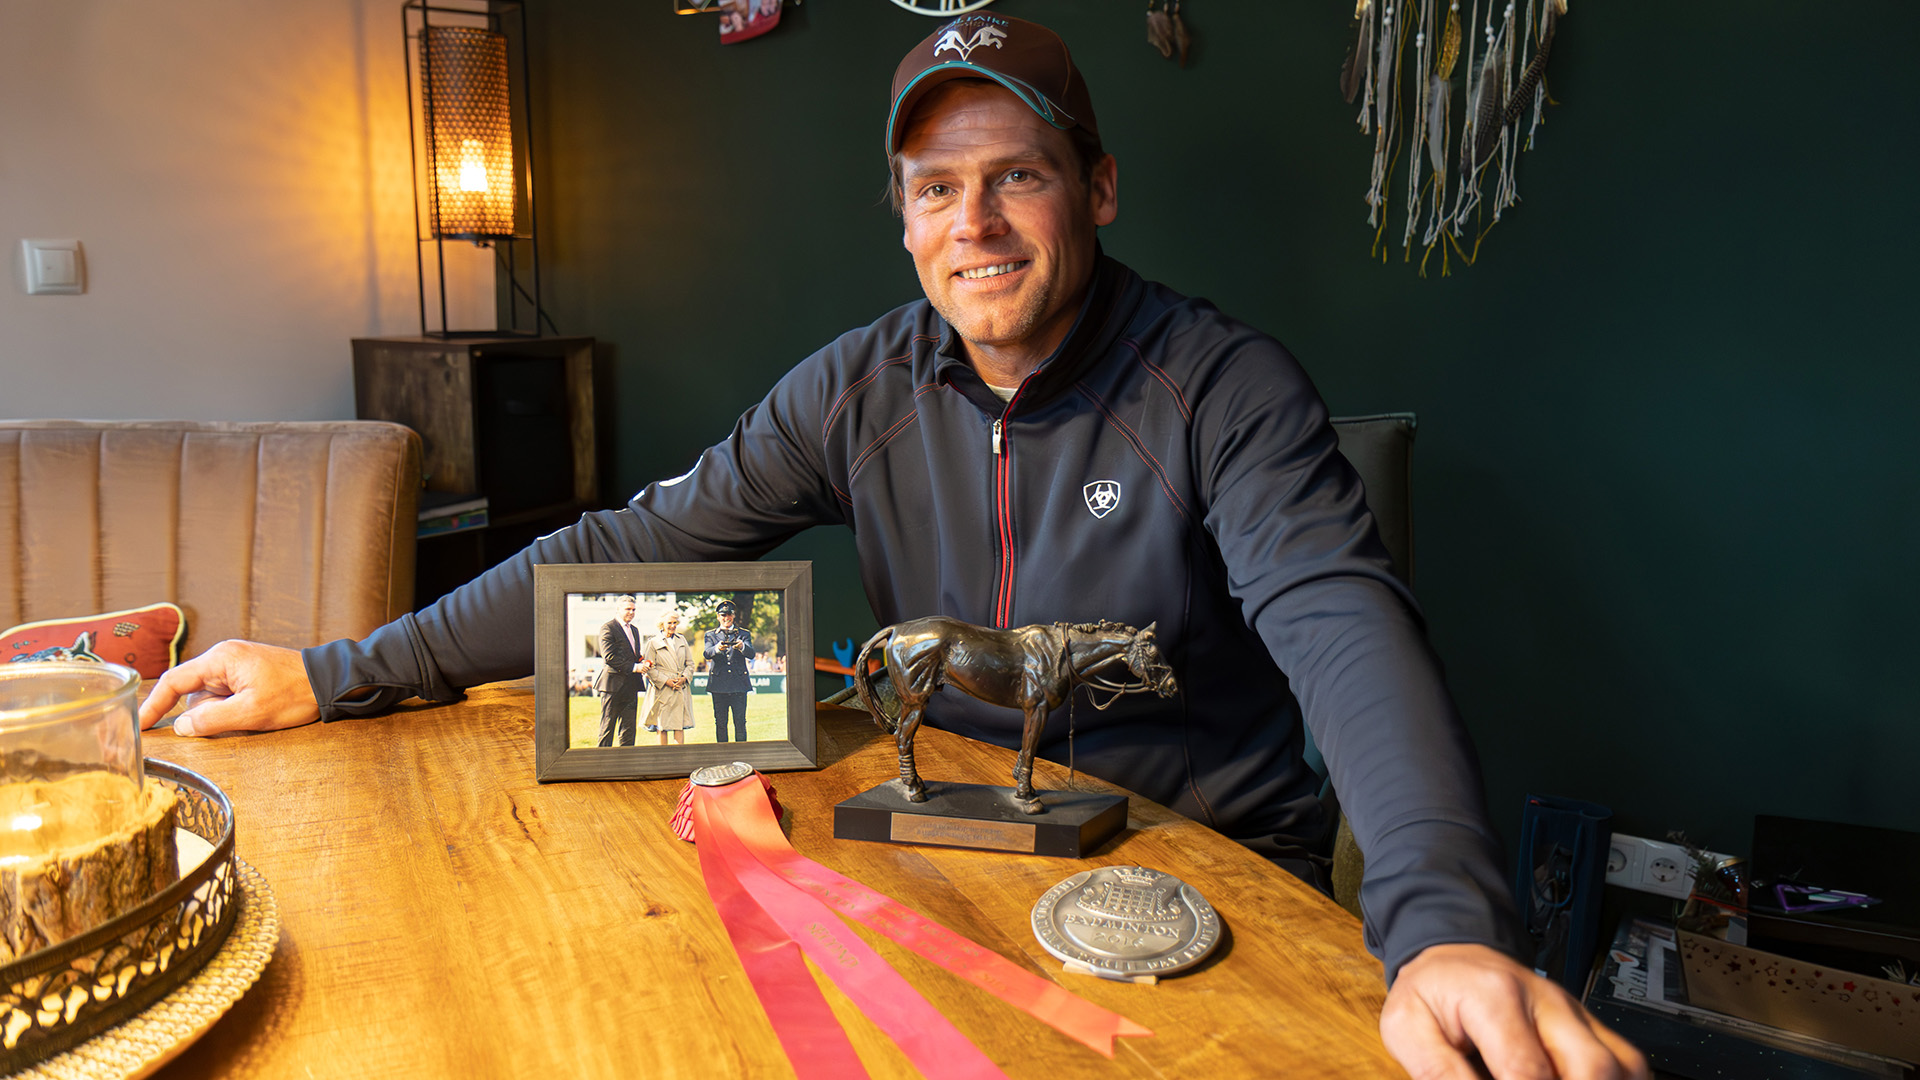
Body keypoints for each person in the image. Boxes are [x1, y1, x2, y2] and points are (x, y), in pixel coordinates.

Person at [137, 15, 1644, 1079]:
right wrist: (343, 671)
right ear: (905, 221)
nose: (974, 222)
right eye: (937, 189)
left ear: (1099, 190)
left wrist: (1445, 929)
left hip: (1201, 892)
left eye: (1019, 175)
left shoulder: (1221, 387)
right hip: (944, 861)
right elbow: (638, 542)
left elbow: (1342, 622)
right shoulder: (855, 387)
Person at [593, 595, 645, 748]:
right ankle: (602, 765)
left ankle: (627, 765)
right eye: (628, 609)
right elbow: (609, 657)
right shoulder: (608, 627)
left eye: (634, 609)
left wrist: (641, 661)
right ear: (618, 609)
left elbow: (633, 655)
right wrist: (635, 667)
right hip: (612, 686)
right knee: (607, 727)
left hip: (631, 686)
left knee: (629, 730)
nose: (631, 612)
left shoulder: (634, 630)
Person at [703, 600, 756, 742]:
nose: (726, 618)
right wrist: (716, 649)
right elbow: (707, 653)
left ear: (734, 615)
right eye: (723, 615)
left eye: (729, 614)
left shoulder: (743, 634)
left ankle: (741, 754)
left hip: (738, 684)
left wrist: (741, 646)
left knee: (740, 722)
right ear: (718, 617)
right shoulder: (711, 635)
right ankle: (722, 754)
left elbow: (751, 654)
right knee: (720, 723)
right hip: (719, 685)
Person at [639, 611, 694, 745]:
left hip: (680, 688)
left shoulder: (682, 640)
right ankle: (663, 758)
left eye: (675, 623)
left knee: (679, 725)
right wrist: (666, 681)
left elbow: (690, 664)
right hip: (662, 689)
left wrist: (684, 678)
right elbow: (649, 668)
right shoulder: (653, 642)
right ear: (662, 624)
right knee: (661, 726)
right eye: (669, 623)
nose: (672, 626)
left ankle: (679, 758)